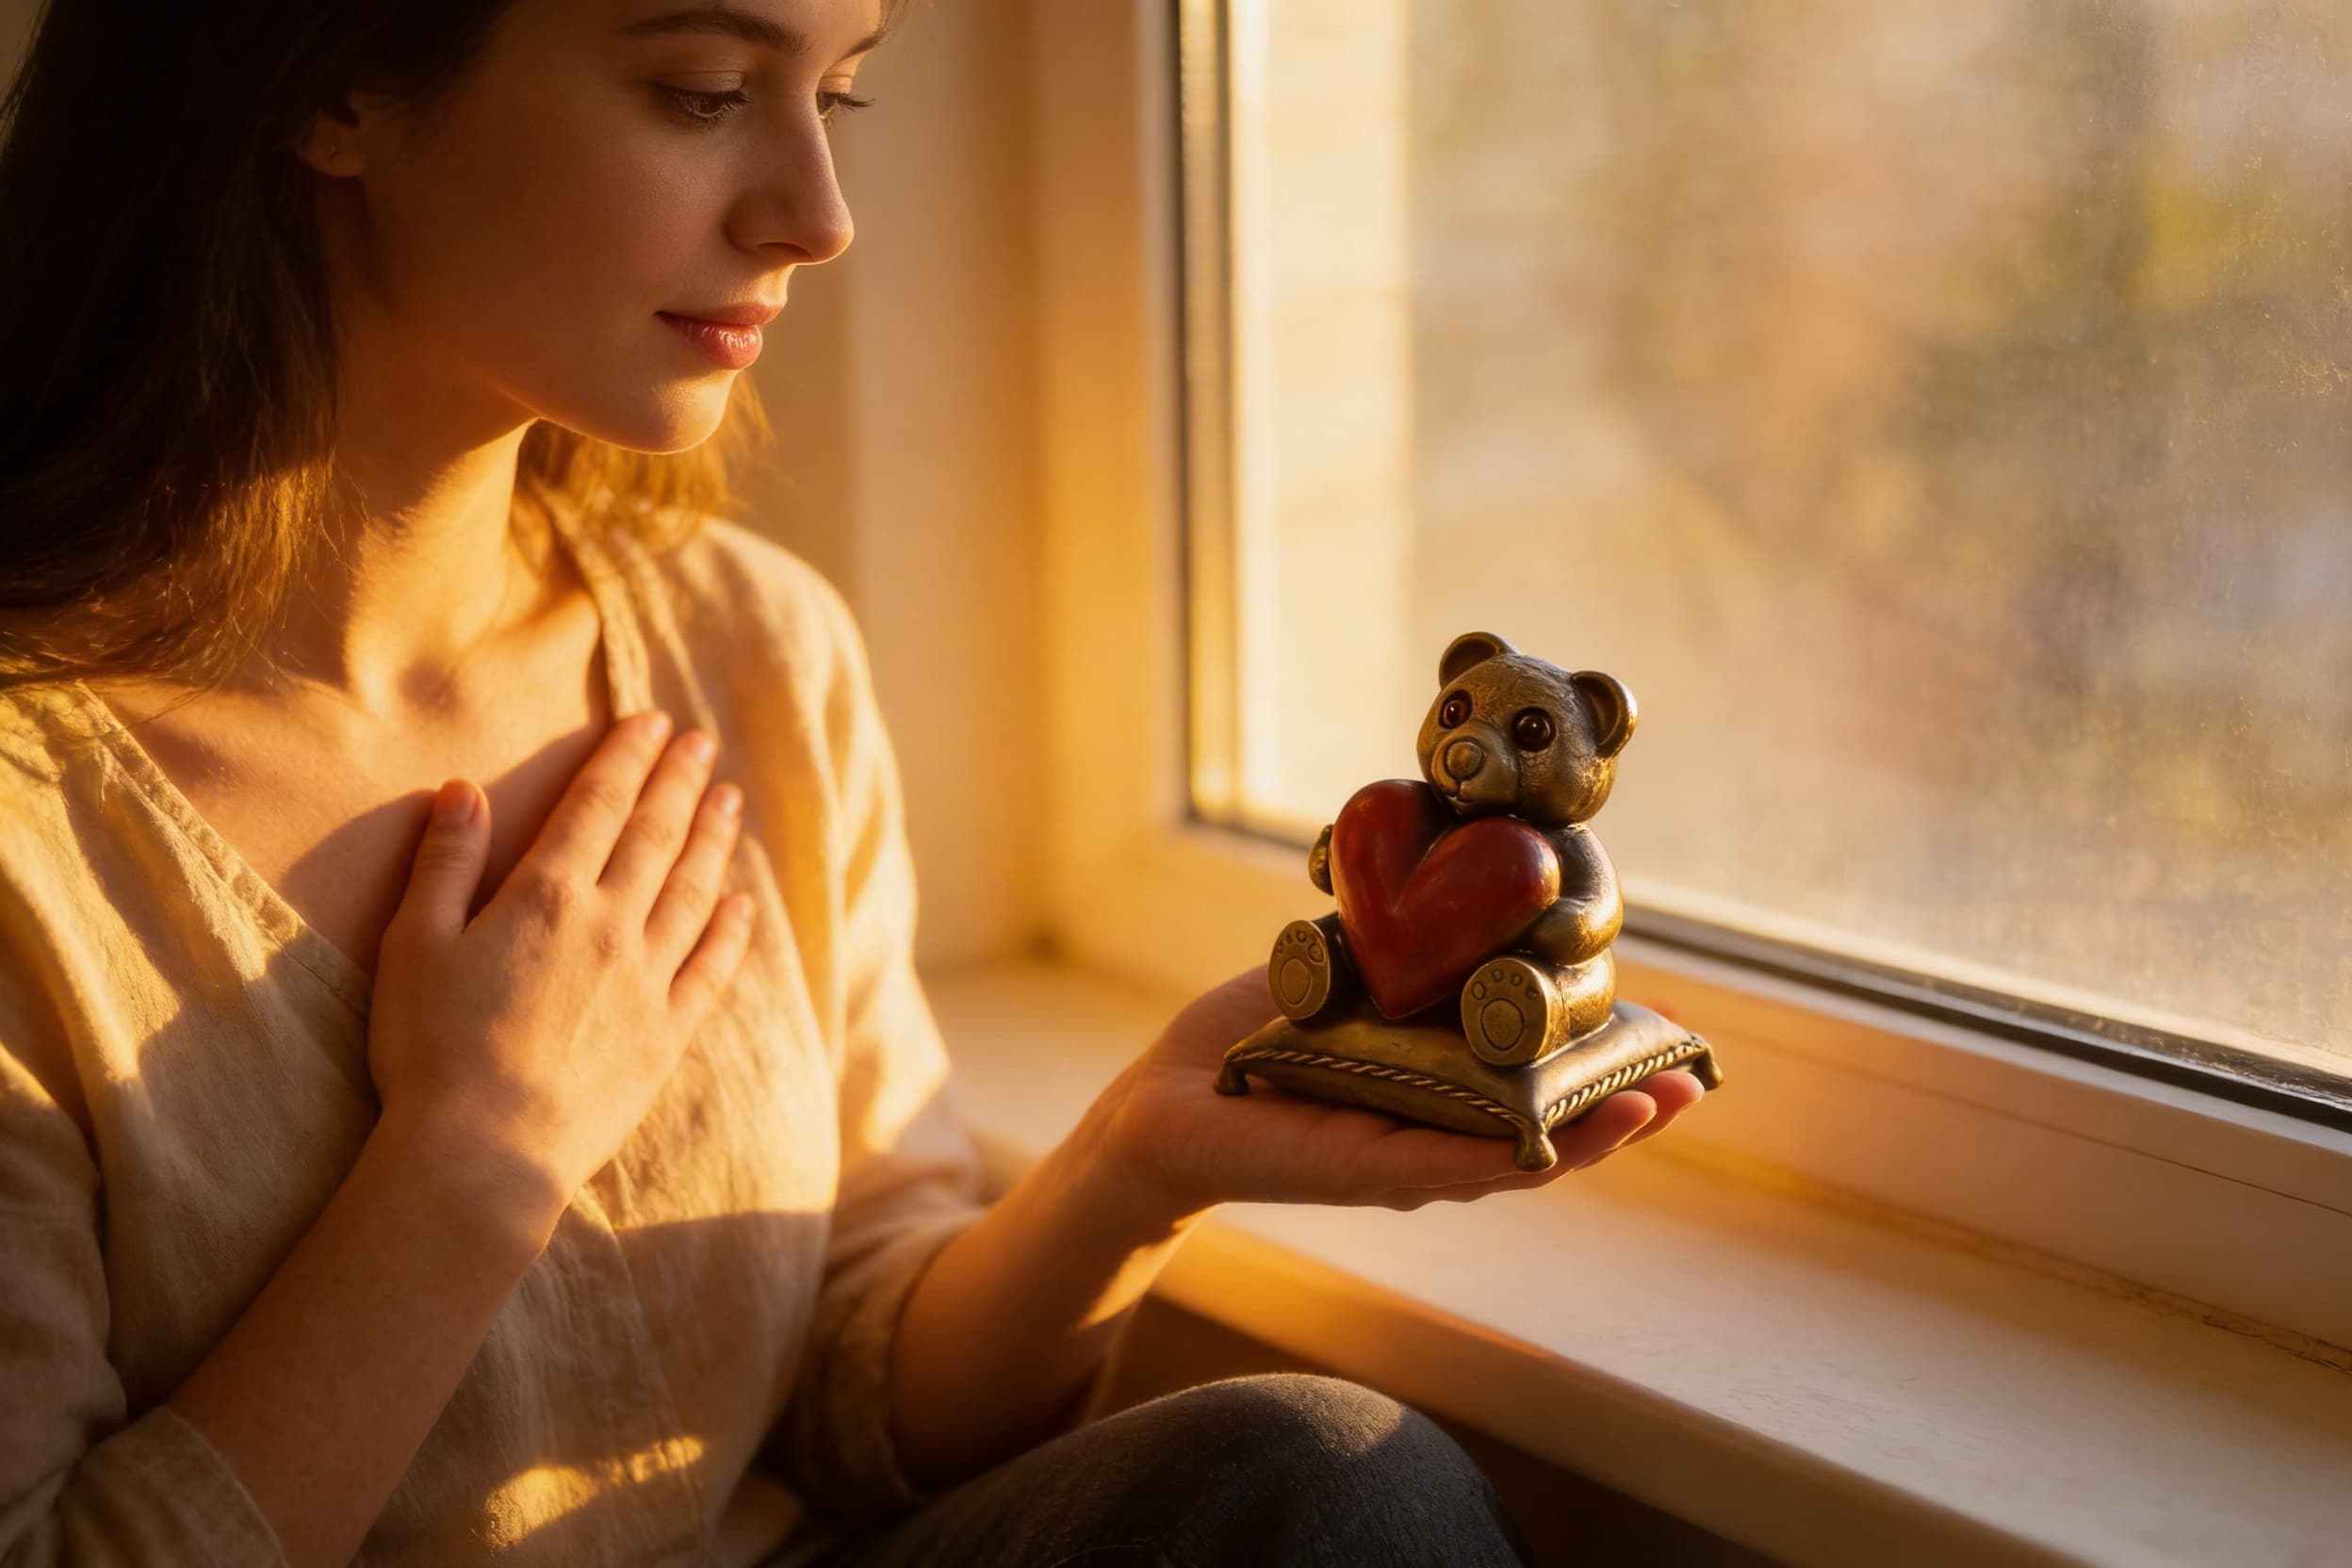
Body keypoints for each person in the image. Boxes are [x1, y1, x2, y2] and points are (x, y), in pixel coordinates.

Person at [0, 1, 1707, 1563]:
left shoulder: (753, 654)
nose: (817, 215)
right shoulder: (32, 826)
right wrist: (475, 1157)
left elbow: (853, 1395)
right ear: (333, 76)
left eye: (839, 94)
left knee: (1337, 1487)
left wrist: (1133, 1166)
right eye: (703, 94)